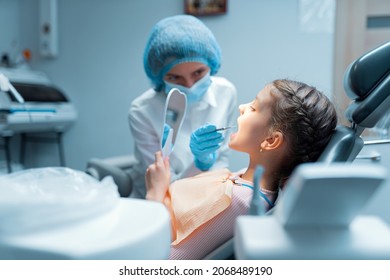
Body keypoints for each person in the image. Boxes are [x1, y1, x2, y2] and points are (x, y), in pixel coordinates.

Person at [145, 79, 338, 259]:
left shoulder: (238, 201)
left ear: (270, 140)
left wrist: (154, 193)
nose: (242, 107)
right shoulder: (245, 181)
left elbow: (166, 262)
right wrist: (201, 162)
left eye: (253, 107)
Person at [128, 15, 237, 198]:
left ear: (211, 64)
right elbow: (163, 185)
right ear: (159, 77)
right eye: (174, 78)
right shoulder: (142, 111)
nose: (189, 85)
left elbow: (221, 160)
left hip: (210, 195)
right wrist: (200, 164)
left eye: (198, 73)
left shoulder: (226, 93)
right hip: (160, 202)